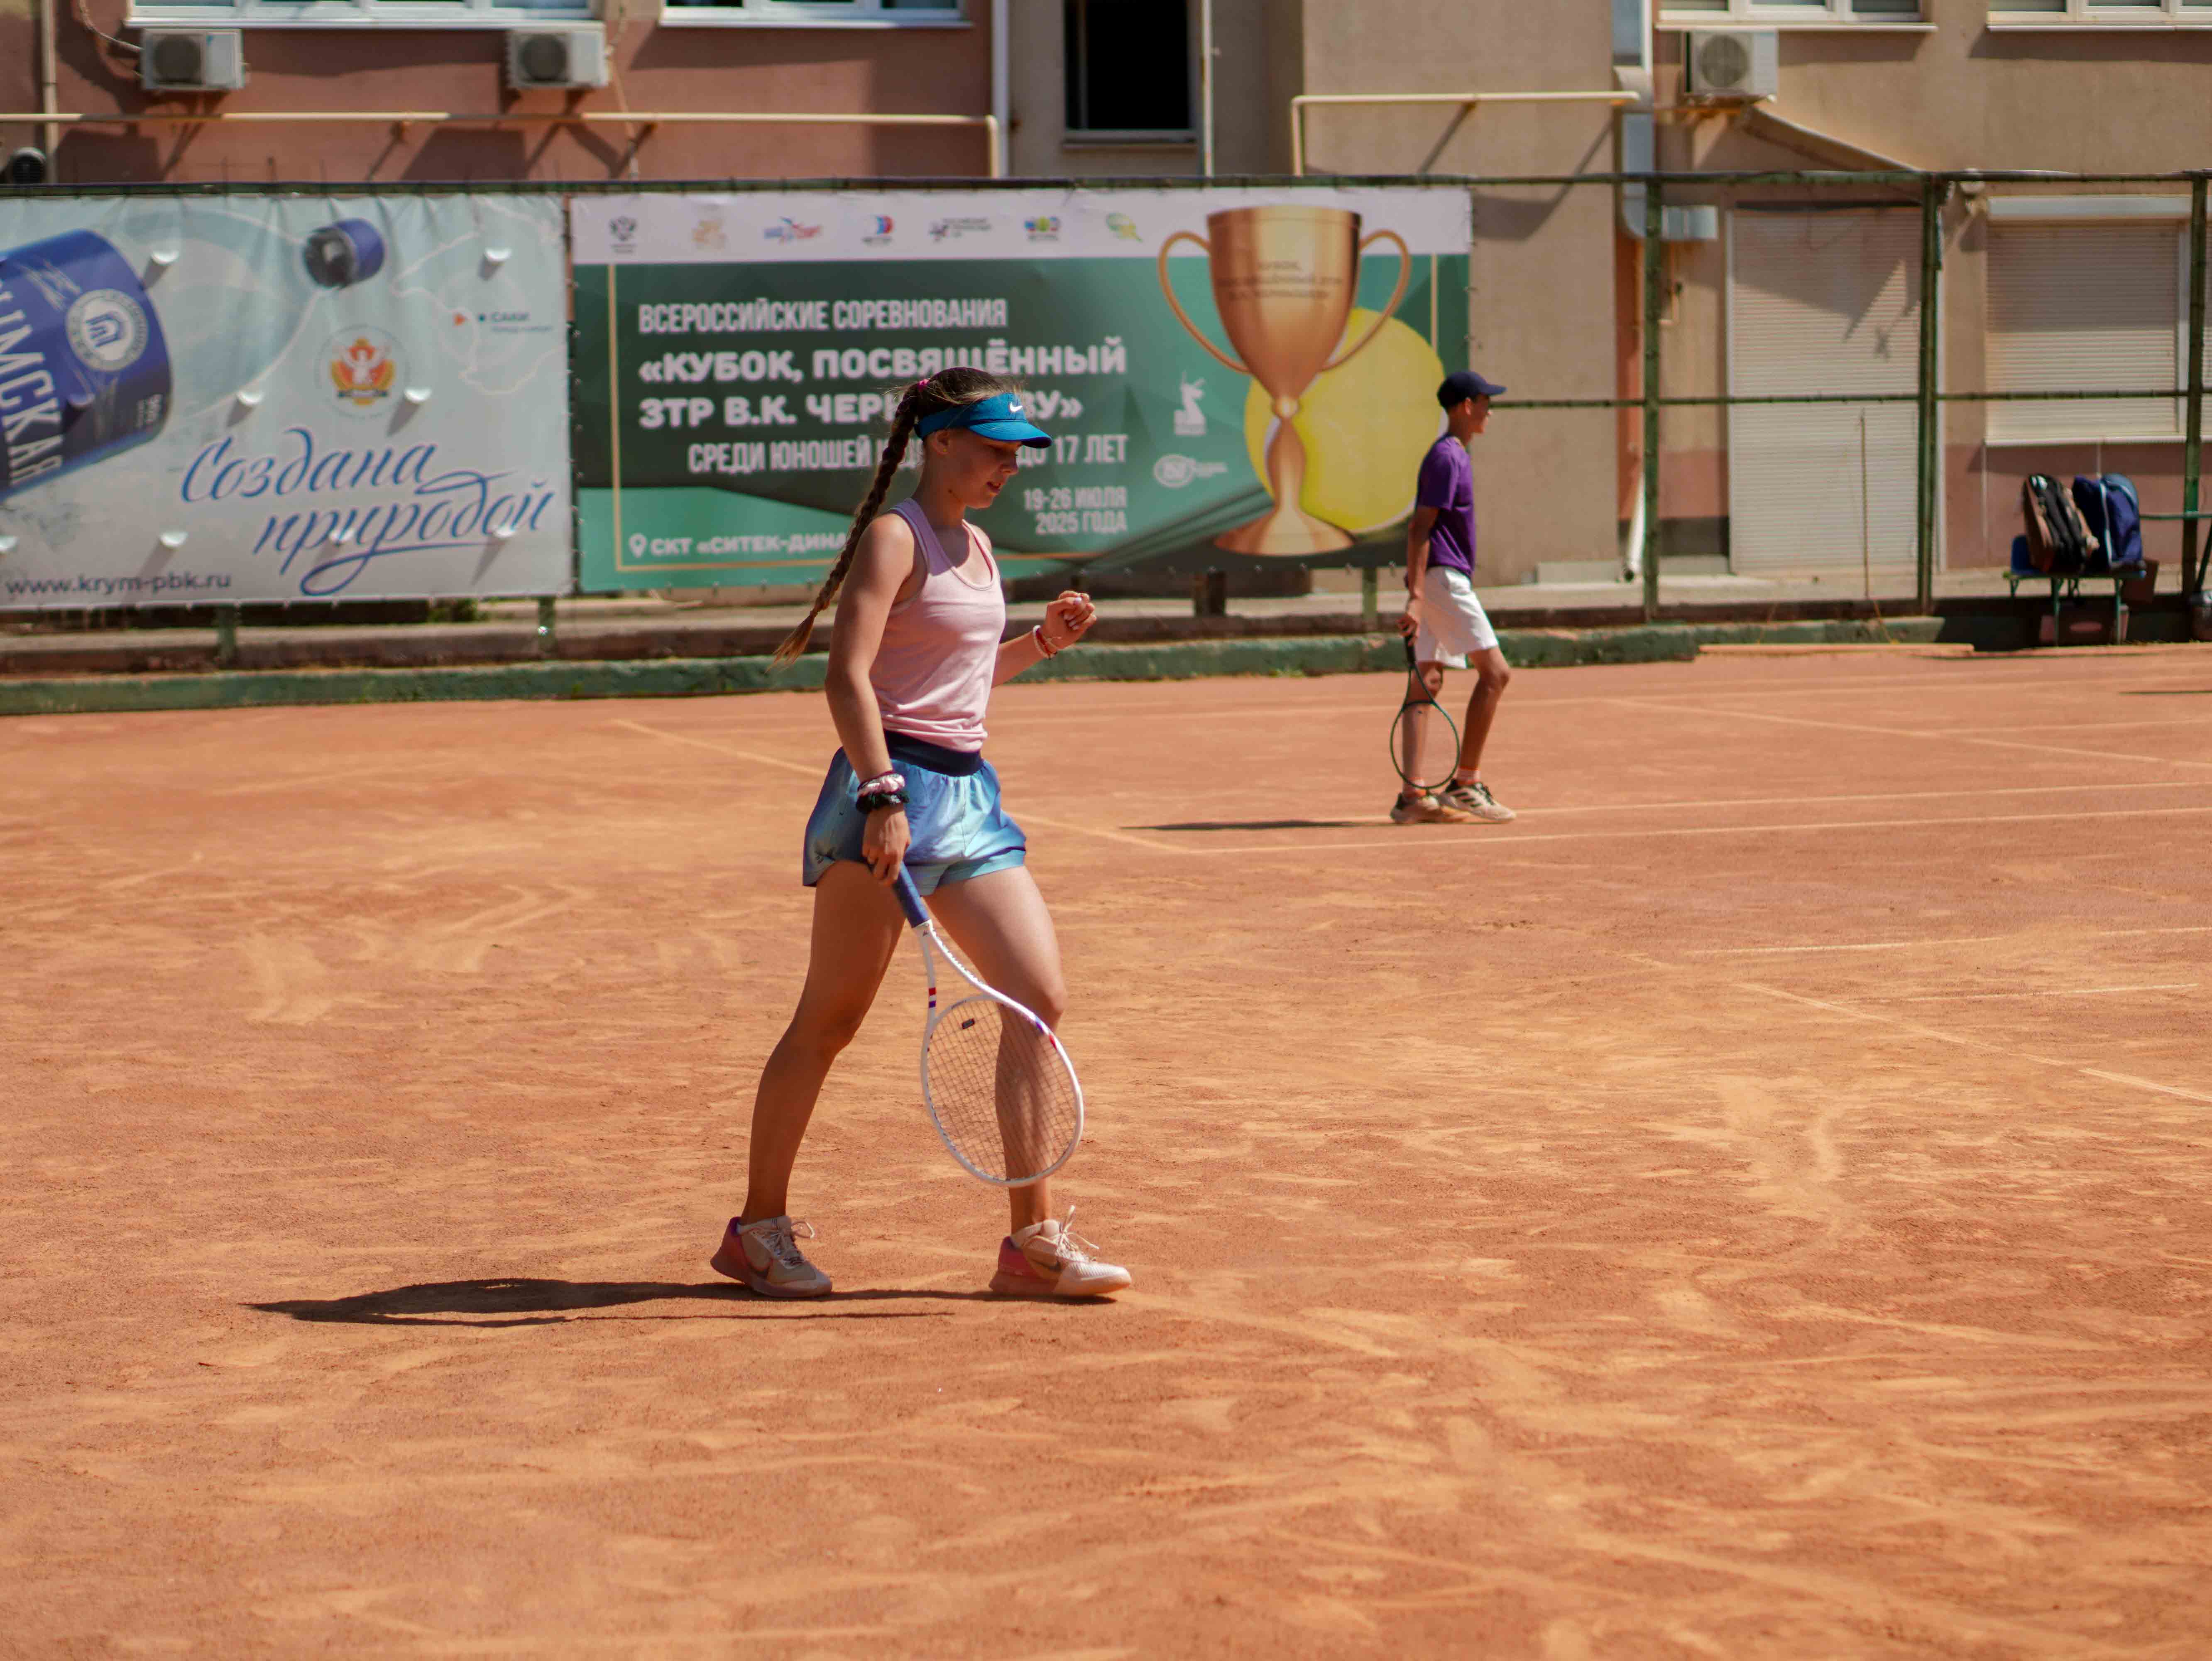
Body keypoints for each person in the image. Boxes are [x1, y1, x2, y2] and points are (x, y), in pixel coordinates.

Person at [710, 367, 1133, 1302]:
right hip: (884, 791)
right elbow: (848, 676)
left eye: (1017, 453)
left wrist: (1044, 643)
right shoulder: (892, 539)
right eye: (994, 449)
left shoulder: (978, 541)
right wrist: (881, 795)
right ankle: (756, 1229)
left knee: (1036, 999)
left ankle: (1030, 1242)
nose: (1009, 467)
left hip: (969, 799)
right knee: (830, 1019)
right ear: (940, 441)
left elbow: (961, 685)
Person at [1393, 369, 1517, 827]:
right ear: (1467, 406)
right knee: (1497, 674)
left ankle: (1412, 797)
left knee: (1427, 680)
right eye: (1486, 402)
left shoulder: (1452, 455)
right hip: (1444, 579)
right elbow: (1420, 527)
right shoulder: (1447, 457)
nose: (1490, 411)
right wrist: (1417, 596)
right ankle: (1467, 783)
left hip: (1439, 578)